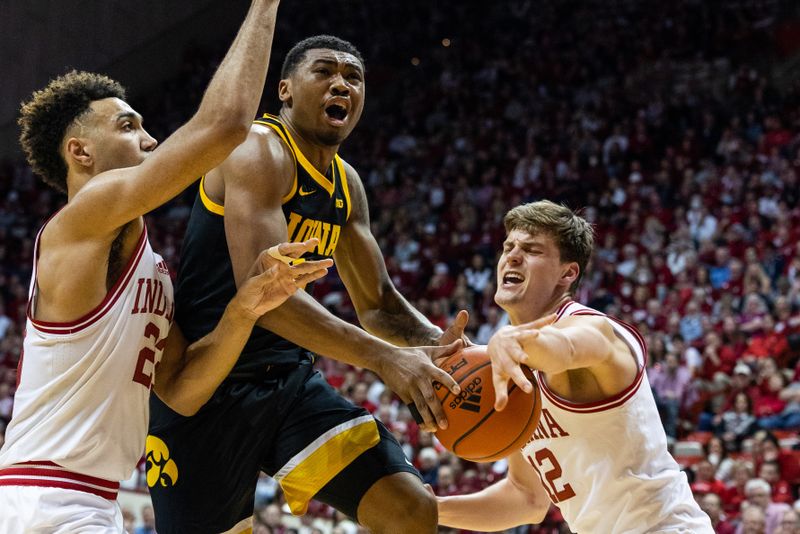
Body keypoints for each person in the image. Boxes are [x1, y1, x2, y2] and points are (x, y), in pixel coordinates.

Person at [0, 2, 334, 532]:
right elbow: (225, 127)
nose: (151, 140)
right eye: (129, 126)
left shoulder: (150, 267)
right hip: (44, 496)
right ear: (80, 151)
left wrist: (243, 310)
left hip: (90, 501)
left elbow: (180, 385)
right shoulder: (78, 222)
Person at [147, 34, 465, 534]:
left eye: (353, 77)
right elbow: (269, 301)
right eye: (325, 71)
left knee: (410, 511)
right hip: (206, 385)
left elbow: (379, 304)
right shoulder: (256, 149)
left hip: (288, 383)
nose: (341, 83)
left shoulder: (346, 183)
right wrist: (384, 357)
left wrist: (438, 344)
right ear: (285, 90)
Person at [434, 200, 713, 532]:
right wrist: (427, 509)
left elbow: (562, 349)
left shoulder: (595, 331)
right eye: (509, 246)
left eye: (532, 249)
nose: (513, 255)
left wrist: (508, 339)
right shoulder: (510, 366)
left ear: (567, 273)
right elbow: (526, 499)